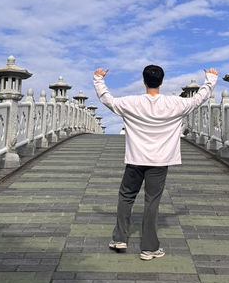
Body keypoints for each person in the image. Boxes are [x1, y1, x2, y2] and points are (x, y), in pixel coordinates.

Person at [93, 64, 218, 260]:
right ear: (161, 82)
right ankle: (149, 248)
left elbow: (107, 99)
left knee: (126, 196)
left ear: (144, 81)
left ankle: (119, 239)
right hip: (160, 161)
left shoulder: (131, 102)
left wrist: (98, 79)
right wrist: (210, 79)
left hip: (136, 159)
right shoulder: (174, 103)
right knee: (152, 201)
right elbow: (198, 99)